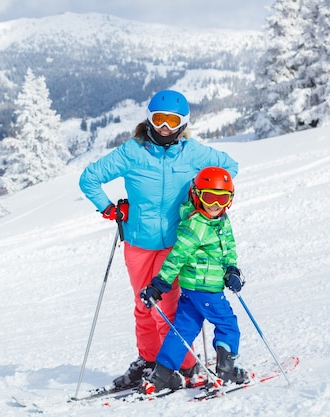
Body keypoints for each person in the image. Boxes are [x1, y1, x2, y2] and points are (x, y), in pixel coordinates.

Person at [78, 90, 239, 390]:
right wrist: (109, 207)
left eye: (172, 120)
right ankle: (150, 361)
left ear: (183, 123)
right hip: (138, 243)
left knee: (167, 307)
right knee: (144, 305)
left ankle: (183, 365)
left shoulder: (193, 153)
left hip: (177, 245)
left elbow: (229, 167)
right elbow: (89, 178)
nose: (165, 126)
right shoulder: (132, 152)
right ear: (149, 119)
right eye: (159, 119)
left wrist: (202, 200)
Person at [138, 166, 248, 394]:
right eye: (209, 197)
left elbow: (228, 248)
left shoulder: (220, 220)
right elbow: (176, 257)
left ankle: (162, 375)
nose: (215, 205)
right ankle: (226, 372)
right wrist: (159, 284)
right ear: (197, 195)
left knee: (183, 330)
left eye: (222, 198)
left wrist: (232, 270)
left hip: (193, 290)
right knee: (228, 325)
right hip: (206, 289)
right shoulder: (196, 224)